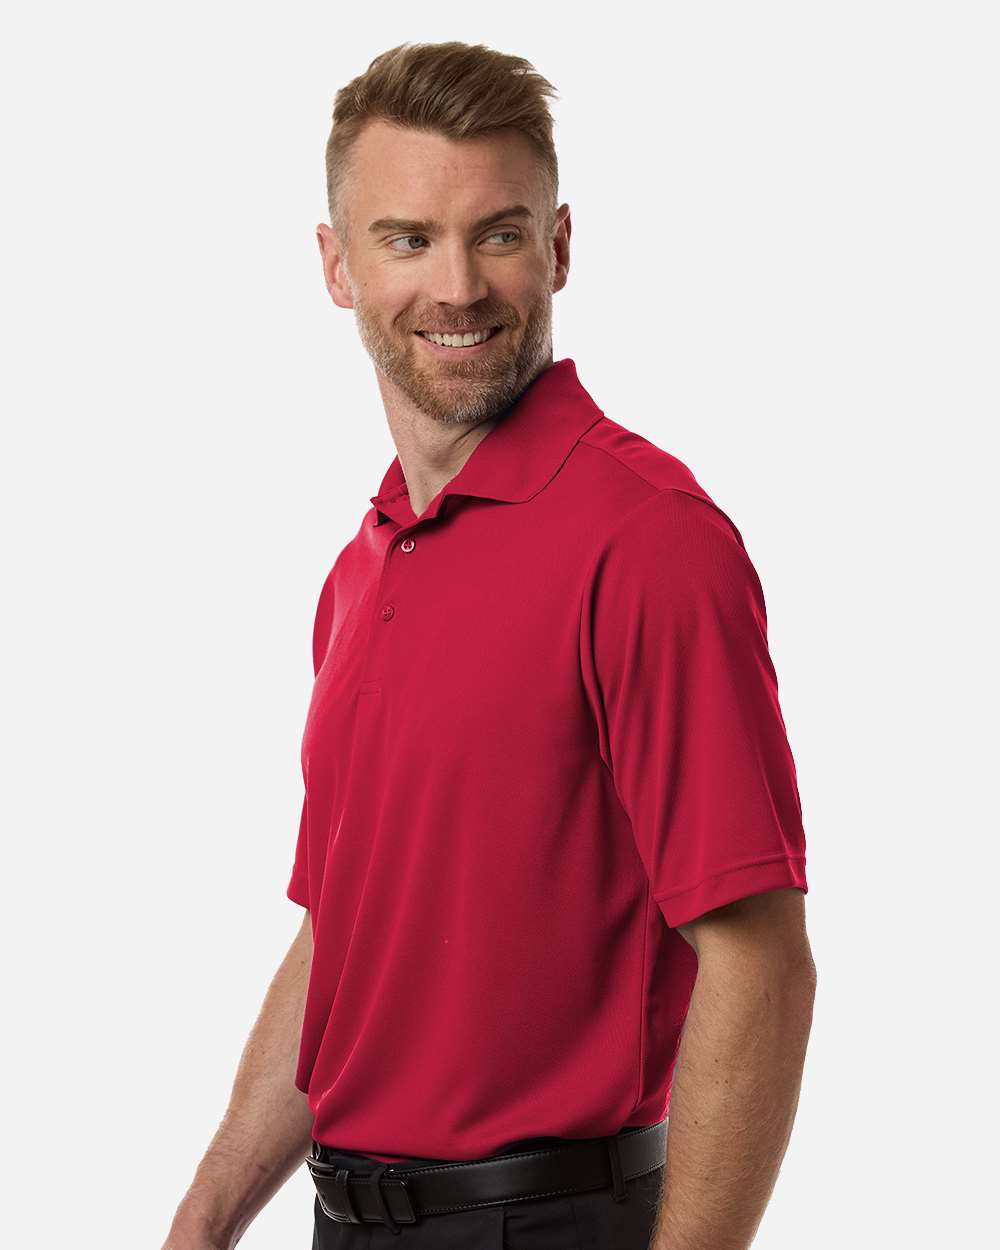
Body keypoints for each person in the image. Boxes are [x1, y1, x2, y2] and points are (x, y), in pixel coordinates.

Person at [162, 40, 817, 1250]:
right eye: (408, 238)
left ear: (558, 246)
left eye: (498, 234)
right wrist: (202, 1219)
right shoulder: (362, 567)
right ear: (338, 266)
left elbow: (760, 964)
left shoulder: (646, 539)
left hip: (547, 1221)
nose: (457, 287)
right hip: (347, 1219)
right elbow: (344, 938)